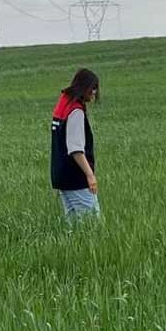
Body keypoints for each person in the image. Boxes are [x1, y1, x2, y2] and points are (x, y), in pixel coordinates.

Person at [50, 68, 100, 219]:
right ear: (84, 87)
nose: (95, 92)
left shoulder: (63, 105)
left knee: (74, 228)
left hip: (61, 175)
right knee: (91, 223)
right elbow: (76, 149)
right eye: (93, 88)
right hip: (76, 179)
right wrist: (90, 175)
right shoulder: (76, 111)